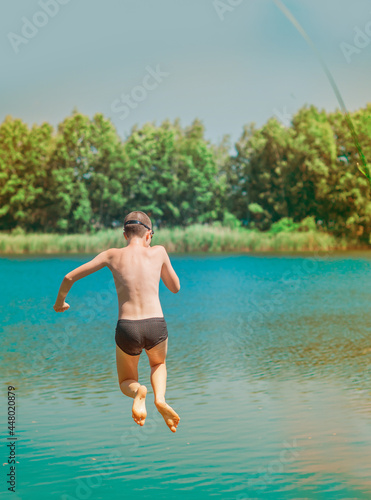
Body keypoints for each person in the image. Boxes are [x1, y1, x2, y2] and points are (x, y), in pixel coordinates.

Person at [53, 211, 181, 433]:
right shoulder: (159, 252)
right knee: (158, 364)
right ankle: (160, 399)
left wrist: (60, 303)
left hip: (127, 327)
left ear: (125, 235)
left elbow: (68, 277)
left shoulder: (111, 255)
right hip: (156, 324)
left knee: (127, 381)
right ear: (149, 234)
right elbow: (175, 287)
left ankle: (138, 391)